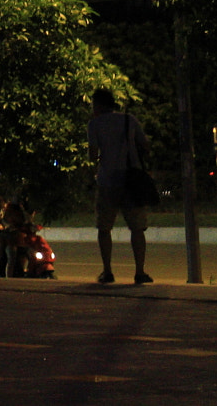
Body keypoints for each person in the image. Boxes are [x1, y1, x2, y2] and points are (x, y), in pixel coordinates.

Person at [88, 87, 151, 285]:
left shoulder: (94, 124)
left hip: (108, 181)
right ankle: (139, 272)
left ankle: (107, 271)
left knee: (104, 227)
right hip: (131, 181)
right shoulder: (128, 119)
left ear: (98, 104)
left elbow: (92, 154)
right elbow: (145, 145)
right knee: (137, 228)